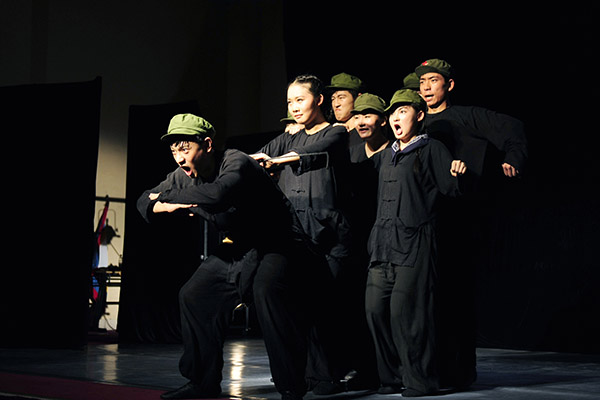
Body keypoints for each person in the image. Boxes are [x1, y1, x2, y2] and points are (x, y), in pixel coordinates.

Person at [137, 113, 327, 400]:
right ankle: (202, 382)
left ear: (207, 144)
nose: (179, 158)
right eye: (174, 150)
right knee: (194, 295)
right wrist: (164, 203)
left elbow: (218, 194)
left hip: (280, 241)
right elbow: (143, 201)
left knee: (266, 290)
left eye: (185, 148)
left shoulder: (236, 161)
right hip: (240, 246)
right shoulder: (182, 176)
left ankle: (291, 386)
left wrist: (169, 199)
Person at [415, 58, 528, 390]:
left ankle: (459, 372)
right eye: (422, 82)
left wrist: (513, 157)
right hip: (419, 219)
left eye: (433, 80)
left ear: (448, 85)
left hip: (457, 217)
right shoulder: (413, 121)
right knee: (423, 298)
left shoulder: (466, 116)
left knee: (454, 296)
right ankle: (426, 370)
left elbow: (513, 127)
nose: (426, 87)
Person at [252, 74, 354, 394]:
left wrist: (278, 160)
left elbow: (315, 151)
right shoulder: (288, 137)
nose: (294, 107)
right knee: (293, 305)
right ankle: (298, 373)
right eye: (290, 102)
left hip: (330, 238)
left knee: (324, 309)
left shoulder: (336, 132)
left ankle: (326, 375)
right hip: (295, 238)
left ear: (318, 100)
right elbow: (256, 158)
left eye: (300, 100)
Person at [364, 89, 467, 397]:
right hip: (382, 244)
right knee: (374, 310)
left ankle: (419, 380)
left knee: (405, 313)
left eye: (403, 111)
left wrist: (459, 173)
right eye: (393, 113)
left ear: (419, 115)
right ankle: (391, 377)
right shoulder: (386, 154)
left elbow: (451, 189)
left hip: (415, 242)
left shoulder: (431, 148)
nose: (396, 118)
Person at [326, 72, 364, 146]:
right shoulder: (331, 131)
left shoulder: (366, 133)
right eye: (333, 99)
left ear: (358, 98)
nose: (336, 104)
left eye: (341, 98)